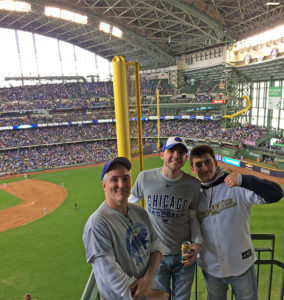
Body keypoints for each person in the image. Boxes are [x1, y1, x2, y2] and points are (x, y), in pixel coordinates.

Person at [189, 144, 283, 300]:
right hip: (211, 269)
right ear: (192, 169)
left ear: (216, 163)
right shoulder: (192, 194)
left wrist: (244, 179)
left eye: (208, 162)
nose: (204, 167)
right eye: (199, 164)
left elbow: (276, 193)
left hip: (242, 266)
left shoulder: (236, 185)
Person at [83, 157, 169, 300]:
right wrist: (153, 294)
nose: (121, 184)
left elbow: (157, 246)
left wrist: (147, 279)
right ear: (104, 185)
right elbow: (113, 278)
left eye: (125, 178)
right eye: (114, 179)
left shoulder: (139, 211)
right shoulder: (97, 225)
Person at [129, 137, 203, 300]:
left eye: (181, 152)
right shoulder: (145, 178)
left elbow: (193, 217)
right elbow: (128, 205)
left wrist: (198, 243)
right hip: (155, 255)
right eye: (171, 151)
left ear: (186, 158)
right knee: (159, 298)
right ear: (162, 154)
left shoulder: (193, 185)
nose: (176, 155)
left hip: (184, 255)